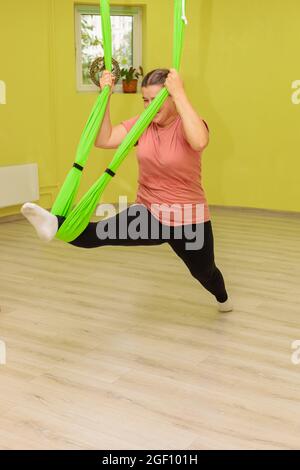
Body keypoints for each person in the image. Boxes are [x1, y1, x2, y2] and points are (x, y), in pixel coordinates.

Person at [21, 68, 233, 312]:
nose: (149, 106)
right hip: (148, 213)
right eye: (145, 100)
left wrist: (180, 93)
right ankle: (55, 223)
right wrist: (105, 95)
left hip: (188, 218)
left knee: (205, 272)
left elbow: (200, 141)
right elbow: (105, 139)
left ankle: (223, 298)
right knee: (93, 235)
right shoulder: (142, 125)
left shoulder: (187, 123)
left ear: (172, 98)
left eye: (157, 100)